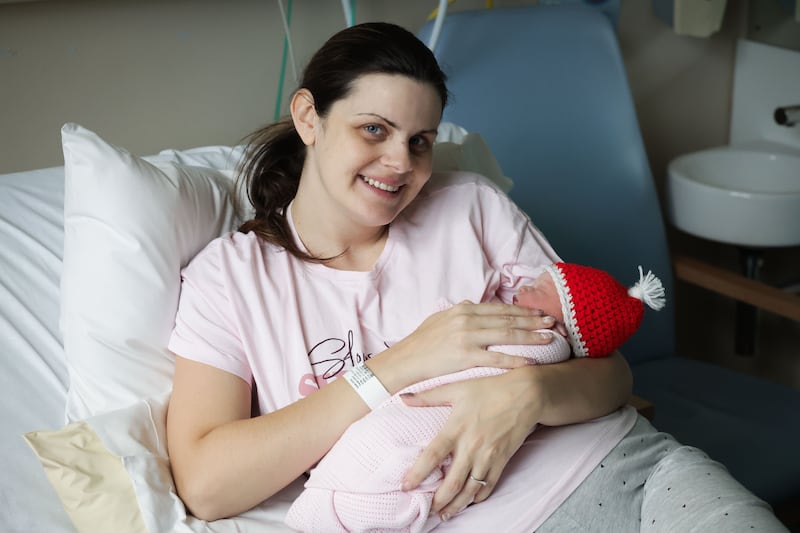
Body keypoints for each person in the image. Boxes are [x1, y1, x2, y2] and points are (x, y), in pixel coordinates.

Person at [165, 21, 785, 532]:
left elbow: (613, 374)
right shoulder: (231, 280)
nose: (399, 164)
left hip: (634, 472)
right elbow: (207, 486)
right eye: (373, 130)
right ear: (309, 117)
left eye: (420, 140)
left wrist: (527, 396)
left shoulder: (471, 207)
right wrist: (400, 363)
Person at [284, 263, 666, 532]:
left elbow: (613, 371)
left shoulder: (543, 340)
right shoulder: (234, 272)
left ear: (563, 320)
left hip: (629, 461)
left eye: (541, 290)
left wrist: (531, 391)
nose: (521, 290)